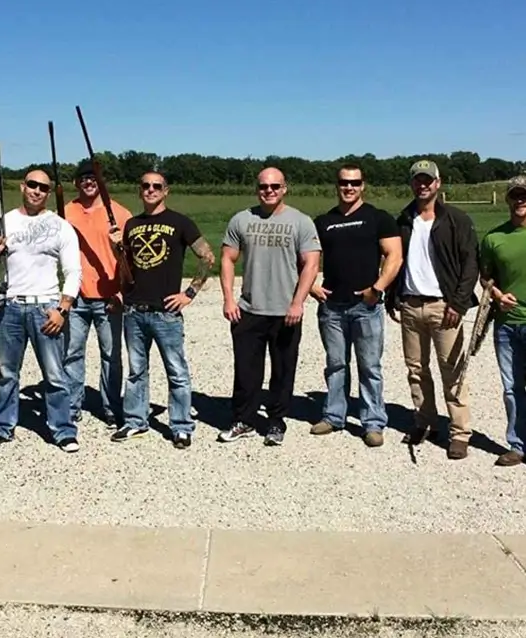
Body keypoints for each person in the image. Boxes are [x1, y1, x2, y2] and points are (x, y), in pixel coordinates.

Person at [0, 169, 82, 452]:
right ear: (23, 186)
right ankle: (2, 427)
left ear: (48, 193)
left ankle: (63, 430)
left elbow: (73, 272)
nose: (37, 191)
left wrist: (63, 308)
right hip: (10, 307)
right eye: (32, 185)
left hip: (46, 307)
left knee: (55, 374)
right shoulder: (4, 222)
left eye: (43, 188)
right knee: (7, 373)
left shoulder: (60, 226)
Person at [108, 171, 215, 448]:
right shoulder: (131, 225)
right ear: (139, 190)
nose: (151, 190)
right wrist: (117, 250)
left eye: (157, 186)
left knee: (176, 370)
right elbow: (126, 269)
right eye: (145, 186)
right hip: (134, 310)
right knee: (136, 371)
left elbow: (207, 256)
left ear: (166, 190)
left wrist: (189, 293)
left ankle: (180, 426)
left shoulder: (180, 222)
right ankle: (135, 420)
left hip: (166, 313)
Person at [218, 167, 321, 446]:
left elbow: (311, 263)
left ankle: (276, 422)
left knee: (283, 370)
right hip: (249, 309)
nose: (269, 191)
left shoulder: (300, 222)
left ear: (284, 188)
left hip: (285, 310)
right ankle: (244, 419)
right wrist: (228, 298)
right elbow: (227, 258)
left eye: (275, 186)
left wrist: (298, 302)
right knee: (246, 370)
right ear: (257, 189)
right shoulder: (242, 219)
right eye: (264, 187)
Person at [385, 160, 479, 460]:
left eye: (428, 180)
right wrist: (392, 295)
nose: (422, 185)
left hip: (444, 306)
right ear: (412, 184)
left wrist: (459, 303)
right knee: (416, 370)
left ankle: (460, 432)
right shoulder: (403, 219)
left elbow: (470, 265)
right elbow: (393, 260)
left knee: (452, 372)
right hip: (411, 304)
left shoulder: (456, 220)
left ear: (438, 183)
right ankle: (424, 421)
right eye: (417, 180)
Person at [310, 164, 403, 447]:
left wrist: (377, 289)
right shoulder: (323, 221)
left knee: (369, 366)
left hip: (366, 306)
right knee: (336, 364)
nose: (349, 187)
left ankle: (373, 422)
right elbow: (306, 258)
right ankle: (334, 415)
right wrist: (312, 285)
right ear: (336, 185)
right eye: (343, 183)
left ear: (363, 185)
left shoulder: (379, 218)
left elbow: (394, 256)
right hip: (332, 307)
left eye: (355, 182)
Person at [63, 159, 133, 427]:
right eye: (83, 178)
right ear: (76, 183)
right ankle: (71, 406)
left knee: (111, 355)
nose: (89, 182)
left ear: (101, 182)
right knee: (72, 353)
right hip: (77, 295)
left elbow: (132, 258)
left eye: (94, 178)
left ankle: (112, 407)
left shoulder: (120, 213)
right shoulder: (66, 212)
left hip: (109, 297)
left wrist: (122, 292)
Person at [479, 175, 526, 467]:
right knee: (511, 387)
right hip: (507, 323)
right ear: (507, 199)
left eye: (525, 194)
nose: (520, 200)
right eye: (515, 195)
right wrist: (496, 295)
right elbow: (485, 277)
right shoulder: (493, 238)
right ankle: (517, 444)